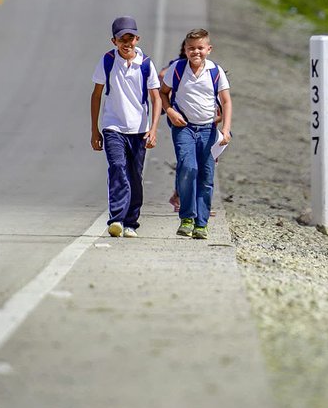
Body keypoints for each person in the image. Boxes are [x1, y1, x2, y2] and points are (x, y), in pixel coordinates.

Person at [90, 16, 161, 237]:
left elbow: (156, 99)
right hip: (113, 127)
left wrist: (153, 129)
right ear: (114, 41)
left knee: (134, 176)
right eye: (122, 39)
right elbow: (96, 95)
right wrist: (95, 130)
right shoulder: (107, 61)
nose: (127, 43)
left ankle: (131, 222)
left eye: (131, 38)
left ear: (137, 38)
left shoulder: (146, 64)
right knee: (117, 168)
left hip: (139, 129)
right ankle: (117, 218)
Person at [160, 28, 232, 240]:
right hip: (184, 128)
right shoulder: (178, 68)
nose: (196, 52)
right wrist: (171, 112)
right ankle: (187, 218)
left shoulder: (215, 71)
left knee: (206, 176)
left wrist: (225, 129)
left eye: (200, 48)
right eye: (191, 48)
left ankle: (202, 224)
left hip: (208, 130)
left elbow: (226, 101)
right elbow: (163, 93)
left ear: (208, 49)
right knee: (188, 168)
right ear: (185, 49)